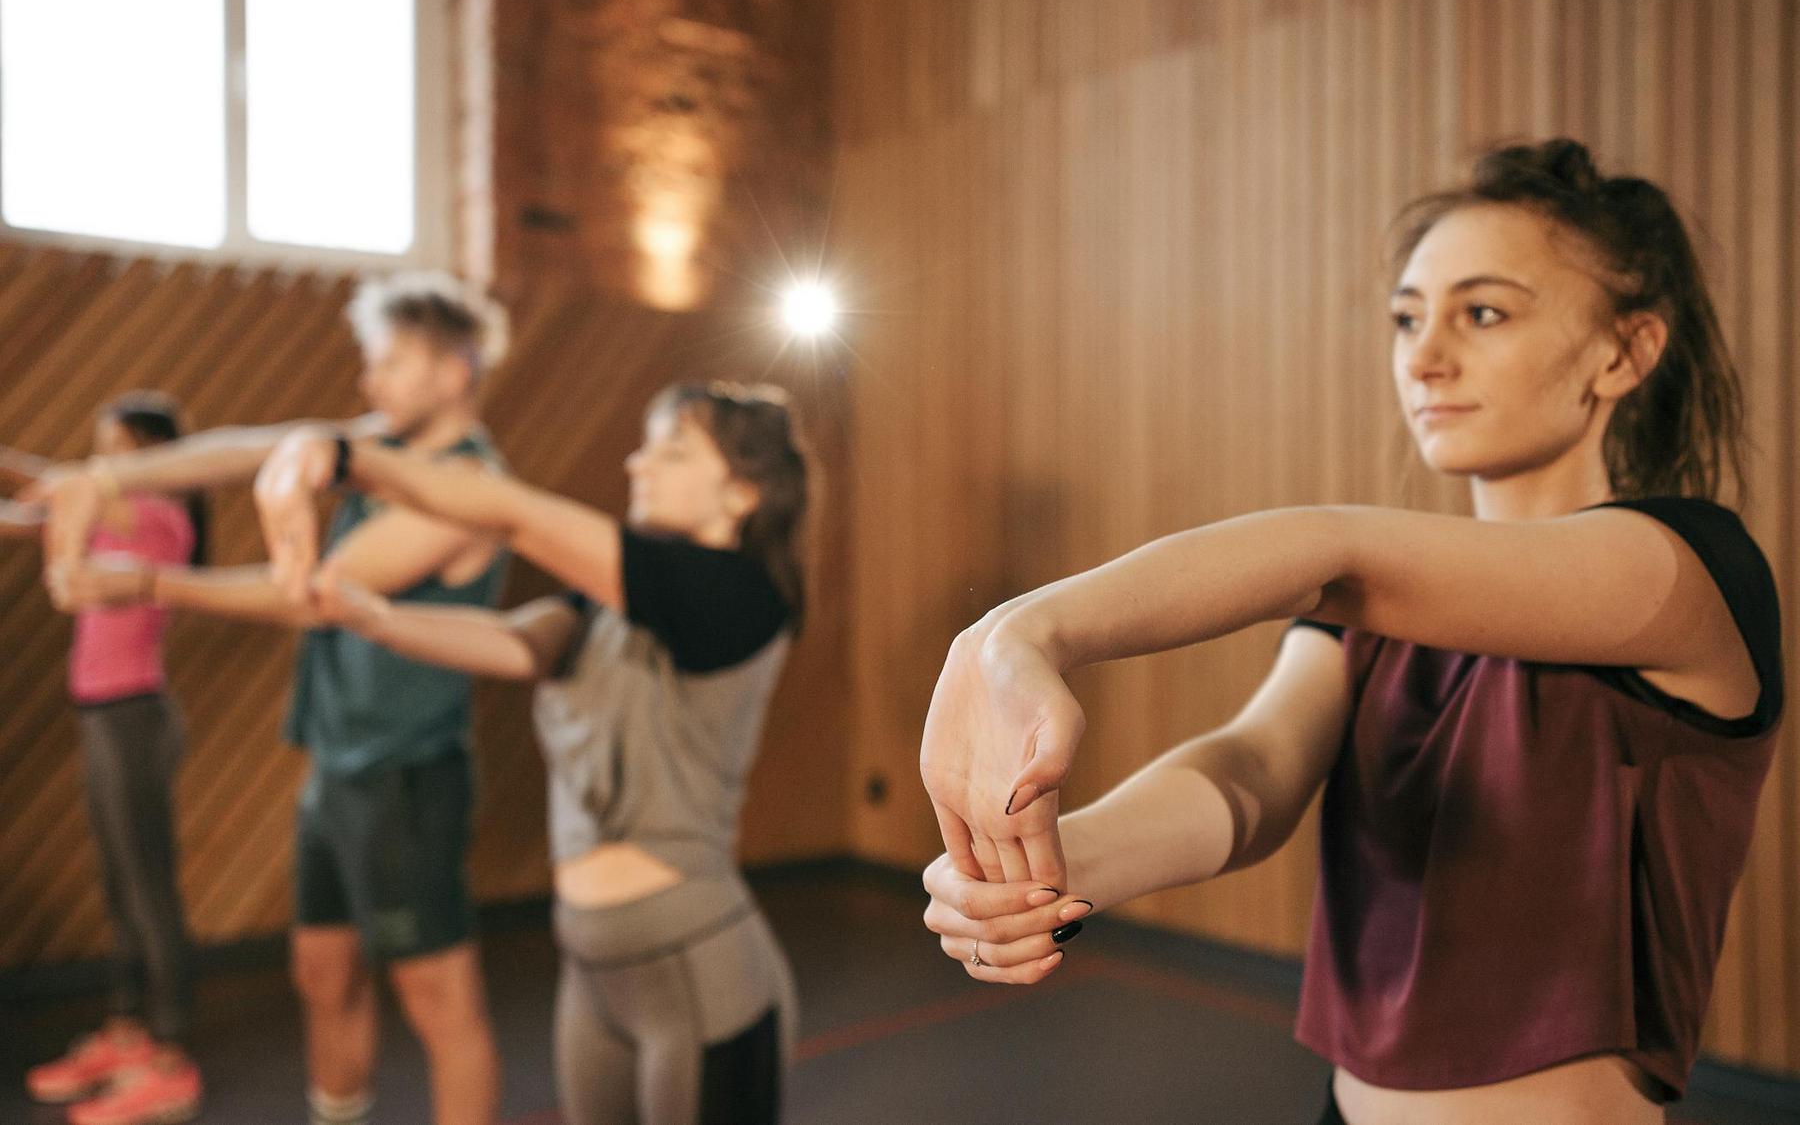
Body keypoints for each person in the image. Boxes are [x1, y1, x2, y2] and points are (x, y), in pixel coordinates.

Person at [916, 139, 1783, 1124]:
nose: (1424, 354)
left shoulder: (1689, 566)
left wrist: (1018, 632)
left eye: (1483, 312)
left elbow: (1338, 552)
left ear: (1625, 351)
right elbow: (1251, 773)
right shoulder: (1373, 621)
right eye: (1407, 317)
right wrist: (1050, 872)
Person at [252, 379, 810, 1125]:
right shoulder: (607, 601)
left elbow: (515, 515)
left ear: (743, 494)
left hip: (698, 971)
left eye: (670, 453)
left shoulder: (741, 596)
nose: (637, 464)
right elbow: (513, 645)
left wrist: (344, 455)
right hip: (590, 974)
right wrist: (375, 618)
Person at [34, 273, 511, 1125]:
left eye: (392, 364)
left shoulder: (470, 489)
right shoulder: (377, 447)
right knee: (322, 975)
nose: (371, 384)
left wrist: (146, 579)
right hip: (336, 765)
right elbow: (245, 447)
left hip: (406, 775)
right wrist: (102, 481)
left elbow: (316, 592)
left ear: (455, 370)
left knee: (440, 1003)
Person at [3, 394, 206, 1125]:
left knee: (150, 890)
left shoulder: (154, 516)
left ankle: (171, 1058)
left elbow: (54, 488)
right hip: (99, 719)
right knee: (118, 885)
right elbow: (32, 513)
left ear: (152, 457)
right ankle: (128, 1032)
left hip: (135, 721)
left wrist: (32, 473)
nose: (99, 462)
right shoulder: (99, 514)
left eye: (114, 448)